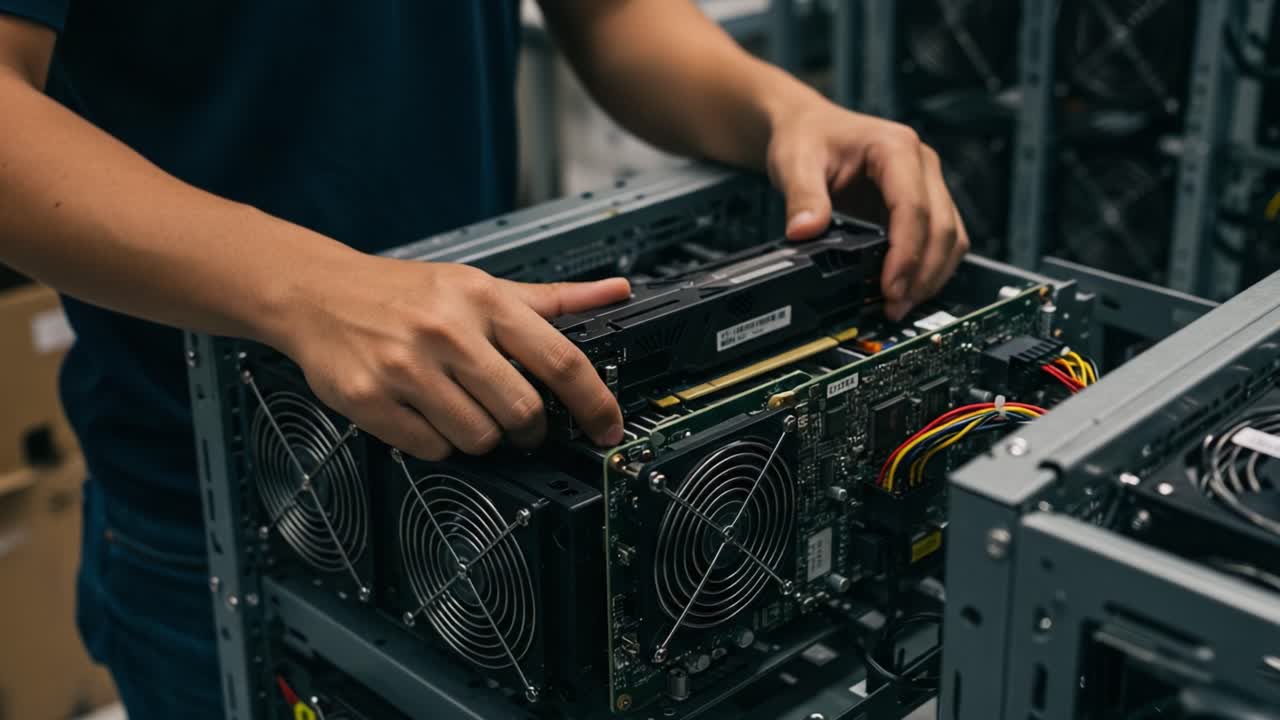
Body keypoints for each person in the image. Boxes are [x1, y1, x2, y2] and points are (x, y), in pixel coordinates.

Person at [0, 1, 968, 717]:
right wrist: (305, 288)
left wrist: (781, 114)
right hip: (236, 514)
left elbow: (615, 17)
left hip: (495, 456)